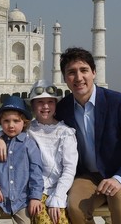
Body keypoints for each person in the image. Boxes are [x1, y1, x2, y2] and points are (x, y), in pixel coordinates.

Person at [55, 47, 121, 224]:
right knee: (75, 207)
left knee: (117, 196)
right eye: (71, 72)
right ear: (65, 78)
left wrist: (119, 178)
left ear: (94, 72)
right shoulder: (63, 109)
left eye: (84, 70)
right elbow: (41, 130)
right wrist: (2, 138)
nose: (78, 78)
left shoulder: (118, 102)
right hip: (88, 176)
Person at [27, 80, 78, 224]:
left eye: (50, 101)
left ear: (56, 105)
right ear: (32, 105)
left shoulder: (65, 132)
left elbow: (69, 168)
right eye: (40, 102)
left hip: (60, 188)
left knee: (60, 219)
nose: (45, 106)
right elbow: (6, 134)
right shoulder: (26, 130)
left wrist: (58, 196)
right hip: (34, 190)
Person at [0, 95, 44, 224]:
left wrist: (35, 197)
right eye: (6, 121)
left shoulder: (29, 145)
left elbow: (36, 172)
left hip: (21, 201)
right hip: (0, 201)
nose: (11, 125)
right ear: (0, 122)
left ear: (24, 122)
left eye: (16, 121)